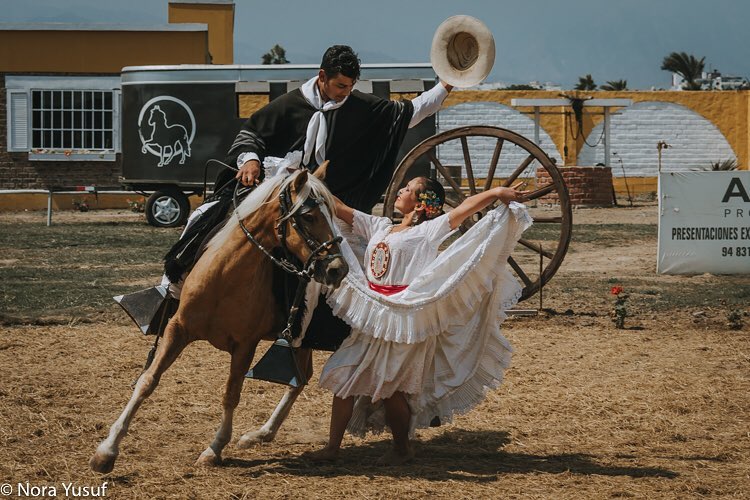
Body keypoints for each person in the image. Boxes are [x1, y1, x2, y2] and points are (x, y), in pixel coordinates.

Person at [163, 45, 452, 351]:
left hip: (322, 207)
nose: (345, 93)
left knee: (325, 269)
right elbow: (252, 135)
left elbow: (410, 111)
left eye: (351, 87)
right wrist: (250, 160)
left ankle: (295, 338)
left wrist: (445, 85)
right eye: (340, 85)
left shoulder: (359, 108)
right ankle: (170, 290)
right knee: (203, 215)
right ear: (322, 76)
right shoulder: (289, 105)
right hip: (274, 194)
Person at [307, 176, 531, 464]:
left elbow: (464, 208)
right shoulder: (380, 226)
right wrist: (307, 180)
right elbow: (338, 208)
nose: (400, 190)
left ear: (423, 203)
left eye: (408, 189)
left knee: (390, 389)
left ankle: (401, 449)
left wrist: (497, 191)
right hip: (373, 317)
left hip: (405, 320)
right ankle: (333, 449)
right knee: (342, 376)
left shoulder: (428, 231)